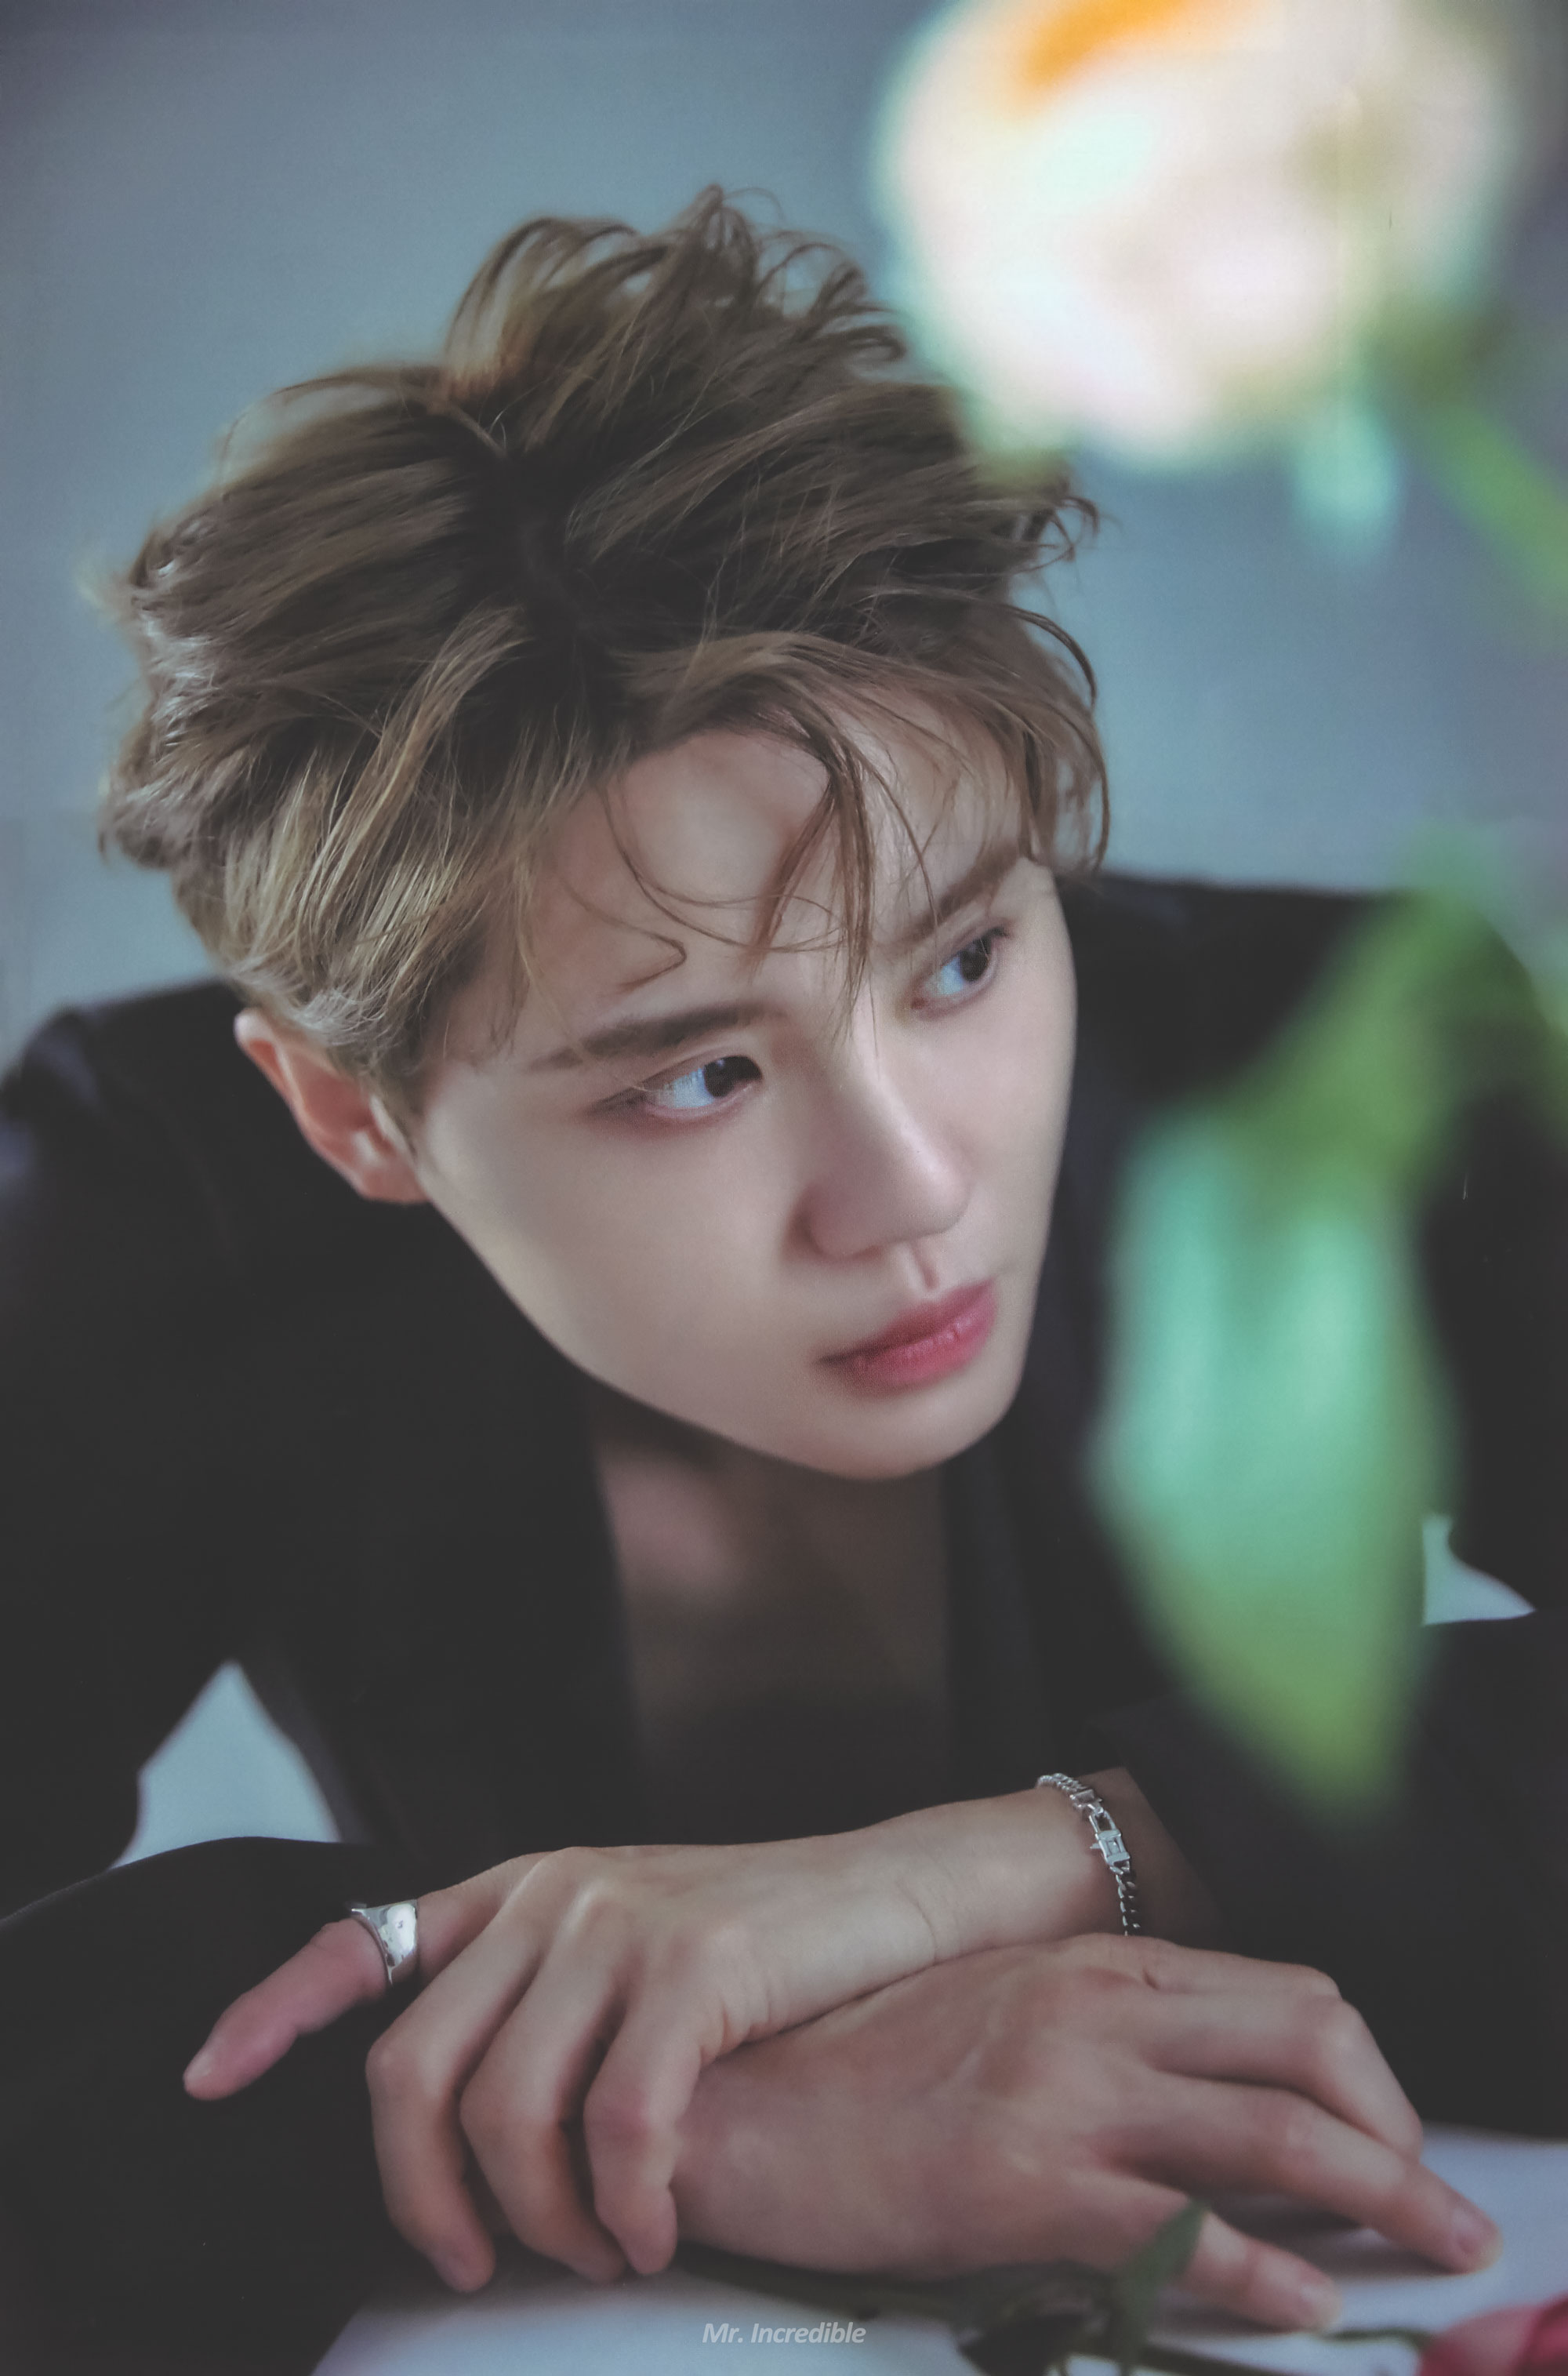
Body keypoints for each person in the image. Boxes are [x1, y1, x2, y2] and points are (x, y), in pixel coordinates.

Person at [2, 192, 1564, 2376]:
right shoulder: (163, 1196)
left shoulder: (1334, 1054)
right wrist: (716, 2114)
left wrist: (1009, 1866)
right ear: (355, 1117)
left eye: (965, 957)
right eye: (699, 1075)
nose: (914, 1188)